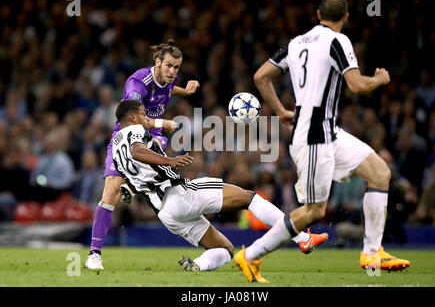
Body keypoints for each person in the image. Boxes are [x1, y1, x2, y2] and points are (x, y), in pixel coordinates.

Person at [234, 0, 410, 283]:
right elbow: (355, 83)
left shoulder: (297, 42)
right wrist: (379, 80)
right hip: (316, 133)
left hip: (326, 130)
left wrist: (280, 110)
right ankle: (251, 255)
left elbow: (261, 76)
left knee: (379, 173)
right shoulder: (337, 41)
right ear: (346, 17)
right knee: (314, 211)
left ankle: (372, 252)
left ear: (318, 13)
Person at [106, 100, 328, 273]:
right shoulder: (133, 130)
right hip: (180, 195)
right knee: (250, 197)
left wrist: (129, 192)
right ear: (132, 117)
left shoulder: (115, 152)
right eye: (143, 114)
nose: (147, 118)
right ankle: (302, 239)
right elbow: (137, 151)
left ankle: (198, 266)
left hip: (166, 214)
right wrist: (170, 161)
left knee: (225, 250)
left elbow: (133, 178)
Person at [85, 39, 201, 269]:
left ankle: (132, 184)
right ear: (156, 62)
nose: (172, 71)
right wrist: (162, 121)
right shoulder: (137, 82)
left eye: (176, 68)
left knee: (156, 143)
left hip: (153, 136)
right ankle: (94, 255)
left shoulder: (170, 78)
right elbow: (133, 117)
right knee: (110, 192)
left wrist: (184, 91)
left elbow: (167, 88)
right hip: (126, 136)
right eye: (168, 66)